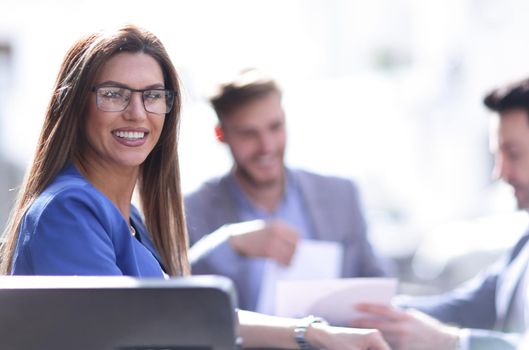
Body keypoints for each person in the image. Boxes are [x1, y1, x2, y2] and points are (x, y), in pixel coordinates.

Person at [0, 25, 390, 350]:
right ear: (75, 105)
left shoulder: (127, 218)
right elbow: (125, 335)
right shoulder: (69, 209)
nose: (137, 112)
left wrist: (311, 333)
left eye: (152, 95)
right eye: (114, 94)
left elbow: (192, 313)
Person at [185, 68, 392, 312]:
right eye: (249, 134)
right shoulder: (191, 210)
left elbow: (375, 282)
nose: (267, 147)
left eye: (275, 127)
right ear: (221, 134)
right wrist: (229, 244)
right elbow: (175, 291)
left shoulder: (340, 195)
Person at [351, 77, 529, 350]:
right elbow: (473, 305)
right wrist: (373, 313)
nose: (500, 172)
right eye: (497, 155)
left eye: (513, 154)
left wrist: (452, 342)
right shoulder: (524, 241)